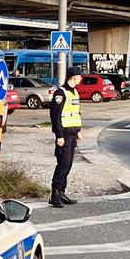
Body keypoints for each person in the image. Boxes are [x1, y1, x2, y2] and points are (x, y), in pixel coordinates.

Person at [48, 67, 85, 208]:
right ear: (73, 77)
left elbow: (75, 113)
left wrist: (79, 131)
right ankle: (55, 194)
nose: (81, 79)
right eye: (79, 76)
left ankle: (62, 192)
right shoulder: (61, 93)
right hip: (64, 134)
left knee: (68, 165)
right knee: (63, 165)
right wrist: (59, 135)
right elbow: (55, 116)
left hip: (72, 133)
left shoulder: (74, 92)